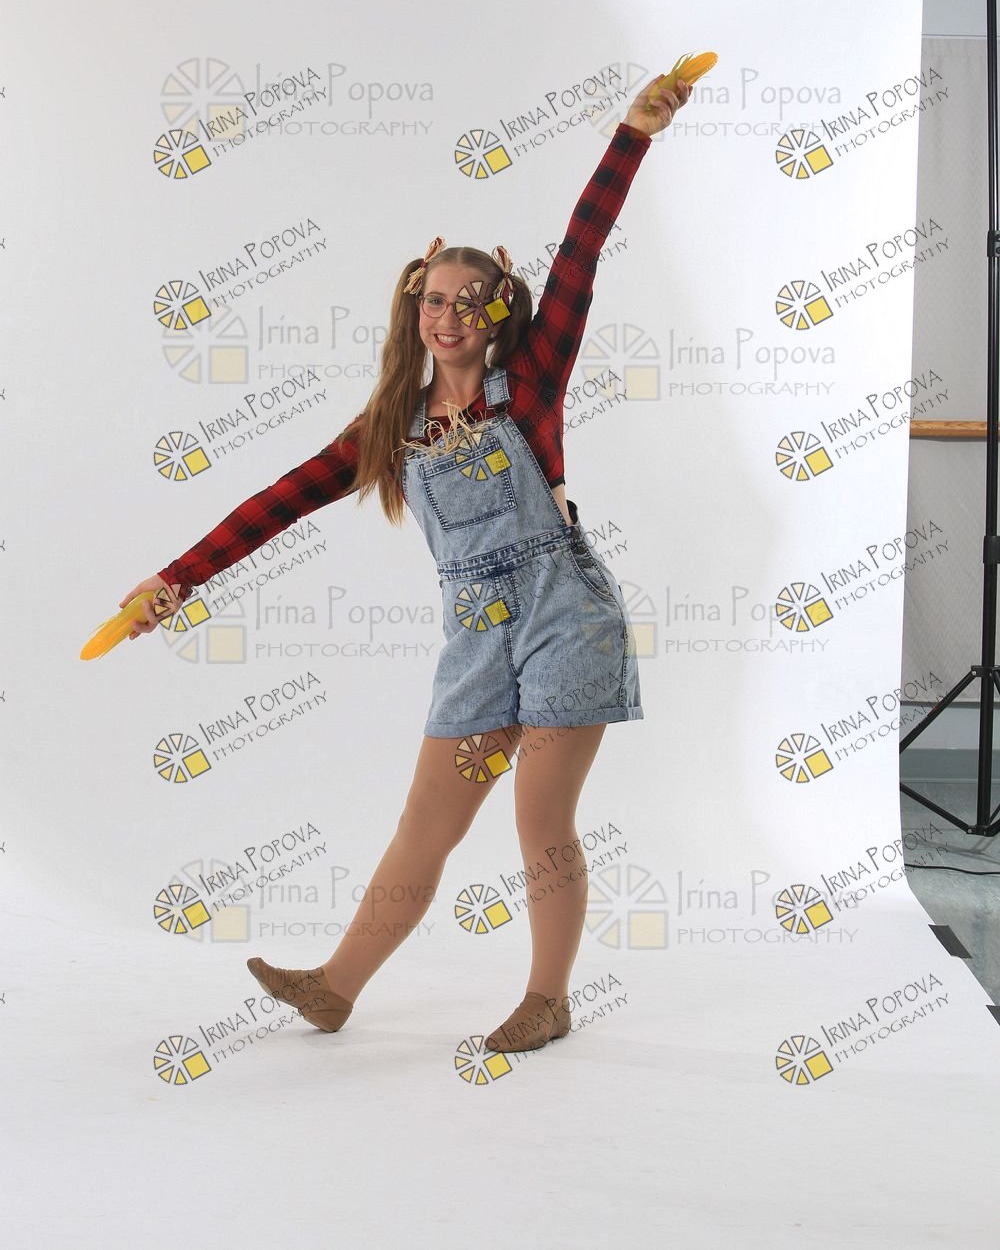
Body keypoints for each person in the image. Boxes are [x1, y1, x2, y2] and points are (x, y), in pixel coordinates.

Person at [120, 73, 693, 1052]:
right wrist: (178, 581)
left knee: (539, 816)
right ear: (413, 306)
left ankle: (548, 998)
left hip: (565, 616)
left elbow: (583, 248)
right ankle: (334, 988)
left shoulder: (532, 381)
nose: (449, 316)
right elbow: (276, 503)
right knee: (426, 824)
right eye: (434, 300)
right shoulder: (390, 427)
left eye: (469, 302)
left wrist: (631, 134)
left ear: (500, 308)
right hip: (476, 635)